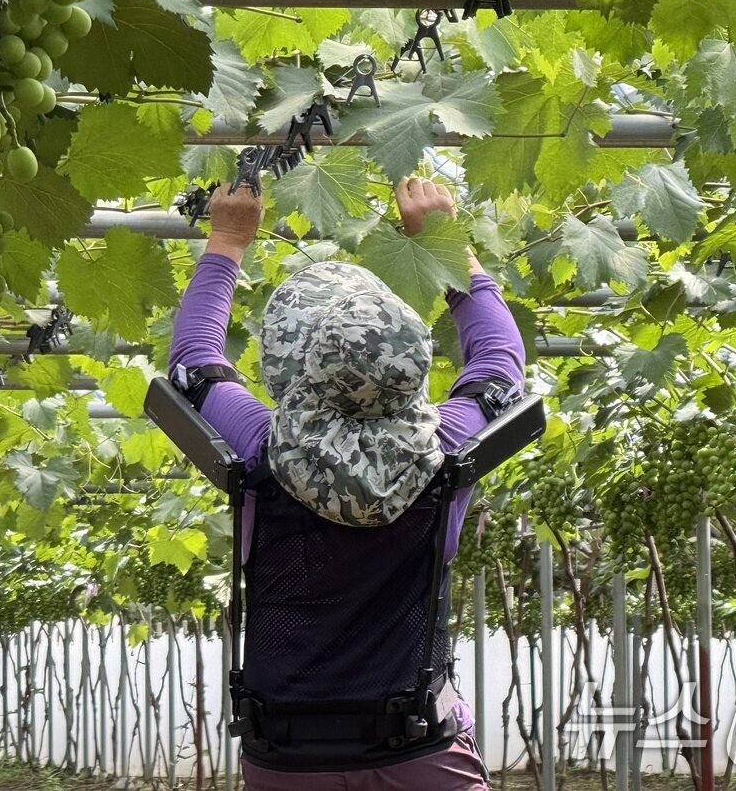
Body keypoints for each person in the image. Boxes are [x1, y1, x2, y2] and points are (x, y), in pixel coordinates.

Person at [167, 176, 526, 791]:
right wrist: (445, 241)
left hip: (286, 755)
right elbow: (499, 366)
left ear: (291, 359)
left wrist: (228, 239)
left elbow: (193, 363)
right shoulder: (445, 448)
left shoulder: (259, 446)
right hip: (419, 748)